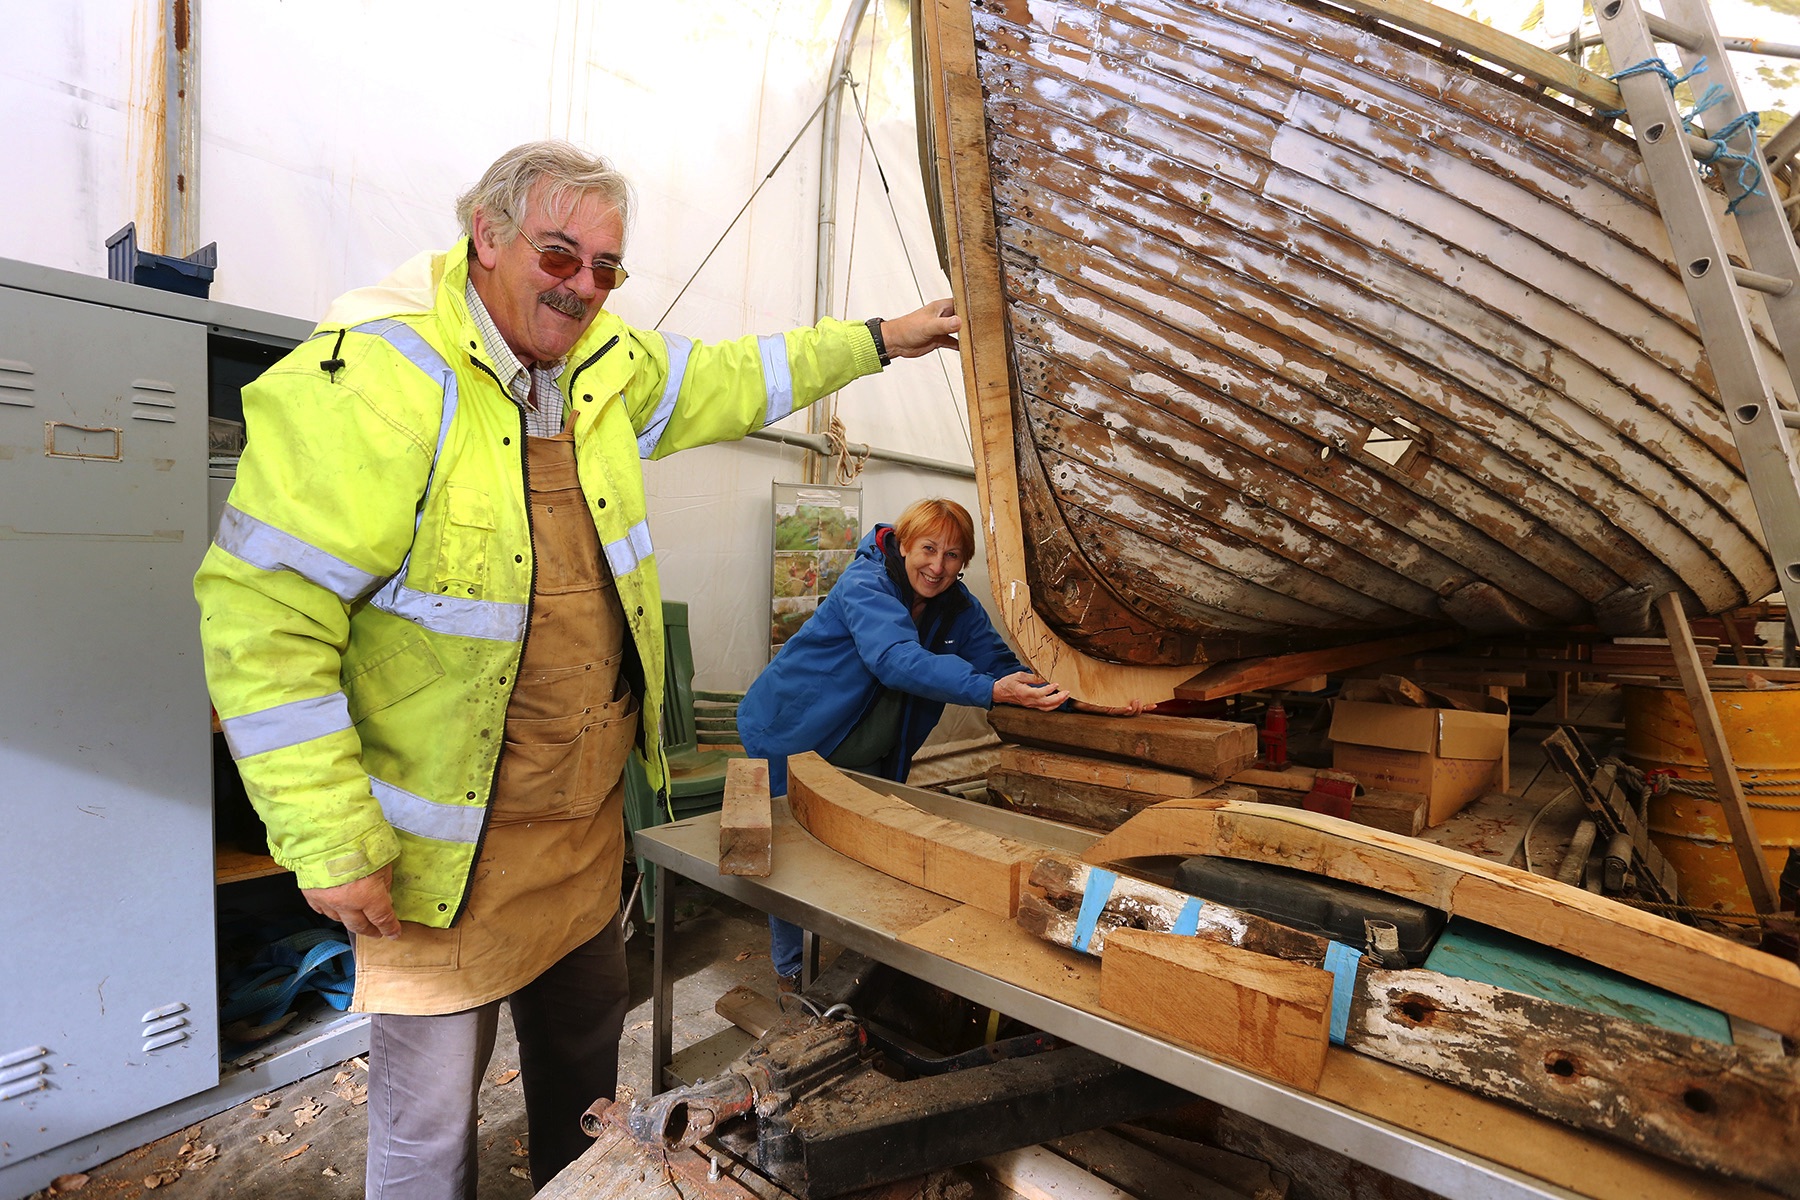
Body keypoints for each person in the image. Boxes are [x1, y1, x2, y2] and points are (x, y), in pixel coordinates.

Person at [193, 140, 960, 1199]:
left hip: (583, 834)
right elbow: (263, 612)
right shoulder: (377, 372)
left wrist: (883, 338)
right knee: (427, 1141)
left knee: (584, 1092)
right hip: (440, 863)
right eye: (562, 256)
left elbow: (736, 376)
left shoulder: (599, 362)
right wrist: (326, 839)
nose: (586, 289)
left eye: (607, 269)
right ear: (487, 234)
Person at [736, 497, 1138, 988]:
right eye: (928, 549)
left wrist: (1080, 698)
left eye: (952, 556)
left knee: (864, 845)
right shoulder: (865, 584)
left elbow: (999, 664)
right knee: (792, 850)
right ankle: (791, 970)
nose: (937, 565)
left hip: (871, 748)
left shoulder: (957, 608)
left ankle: (855, 955)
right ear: (904, 544)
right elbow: (895, 659)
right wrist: (987, 691)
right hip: (791, 729)